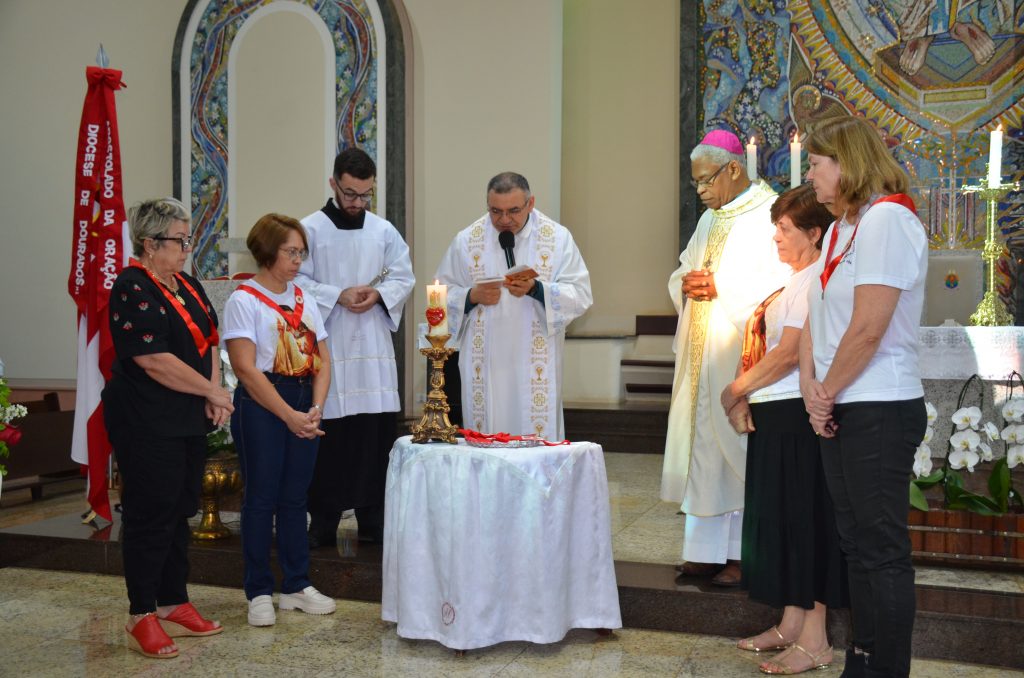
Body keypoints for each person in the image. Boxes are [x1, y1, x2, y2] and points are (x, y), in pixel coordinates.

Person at [801, 115, 928, 678]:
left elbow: (869, 328)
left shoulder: (888, 220)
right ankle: (864, 655)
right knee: (854, 544)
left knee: (881, 549)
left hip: (879, 403)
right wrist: (812, 389)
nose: (810, 176)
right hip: (843, 401)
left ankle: (887, 668)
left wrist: (827, 391)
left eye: (816, 163)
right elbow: (817, 319)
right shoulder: (837, 230)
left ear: (846, 163)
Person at [719, 185, 847, 675]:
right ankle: (792, 622)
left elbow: (791, 351)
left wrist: (733, 391)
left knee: (806, 520)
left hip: (797, 413)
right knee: (783, 521)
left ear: (815, 234)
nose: (775, 236)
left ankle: (816, 639)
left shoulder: (817, 276)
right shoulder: (793, 278)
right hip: (776, 412)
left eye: (785, 228)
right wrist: (747, 393)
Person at [662, 129, 791, 586]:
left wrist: (722, 289)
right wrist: (687, 285)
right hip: (703, 350)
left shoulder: (770, 215)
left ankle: (742, 555)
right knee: (705, 451)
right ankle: (704, 550)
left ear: (733, 169)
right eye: (694, 183)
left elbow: (784, 287)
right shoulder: (711, 218)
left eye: (705, 181)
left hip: (741, 355)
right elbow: (685, 268)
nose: (700, 192)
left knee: (737, 453)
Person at [103, 198, 231, 658]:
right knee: (149, 515)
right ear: (149, 243)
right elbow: (153, 359)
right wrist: (212, 394)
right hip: (146, 418)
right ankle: (142, 613)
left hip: (187, 417)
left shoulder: (188, 285)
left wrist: (212, 390)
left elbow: (211, 340)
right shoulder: (132, 287)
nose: (186, 248)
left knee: (180, 511)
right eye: (179, 240)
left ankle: (174, 600)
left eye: (187, 239)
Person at [296, 147, 415, 547]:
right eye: (350, 193)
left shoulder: (383, 231)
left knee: (372, 435)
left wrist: (379, 295)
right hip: (329, 345)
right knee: (331, 434)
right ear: (333, 184)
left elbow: (404, 277)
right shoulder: (308, 230)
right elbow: (294, 282)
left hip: (372, 349)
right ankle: (324, 519)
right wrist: (337, 294)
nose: (357, 202)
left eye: (365, 195)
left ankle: (373, 518)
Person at [223, 214, 336, 627]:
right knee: (261, 498)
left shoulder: (305, 298)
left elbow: (323, 358)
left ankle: (295, 584)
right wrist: (288, 415)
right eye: (291, 252)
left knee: (294, 497)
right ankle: (257, 589)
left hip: (305, 402)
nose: (298, 261)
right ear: (268, 251)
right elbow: (246, 369)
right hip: (263, 403)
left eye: (301, 253)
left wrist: (316, 408)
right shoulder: (245, 300)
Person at [434, 172, 592, 440]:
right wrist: (471, 296)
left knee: (534, 436)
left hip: (533, 363)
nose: (504, 220)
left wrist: (538, 289)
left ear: (531, 204)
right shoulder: (467, 240)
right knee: (488, 435)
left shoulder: (557, 238)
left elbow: (581, 294)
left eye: (513, 211)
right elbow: (439, 295)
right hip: (484, 364)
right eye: (495, 211)